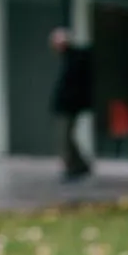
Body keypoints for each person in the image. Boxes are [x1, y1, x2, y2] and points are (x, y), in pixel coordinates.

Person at [49, 28, 93, 182]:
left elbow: (74, 86)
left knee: (65, 138)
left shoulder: (74, 59)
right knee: (68, 137)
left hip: (69, 106)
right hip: (68, 105)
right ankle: (80, 165)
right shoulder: (68, 59)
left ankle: (73, 168)